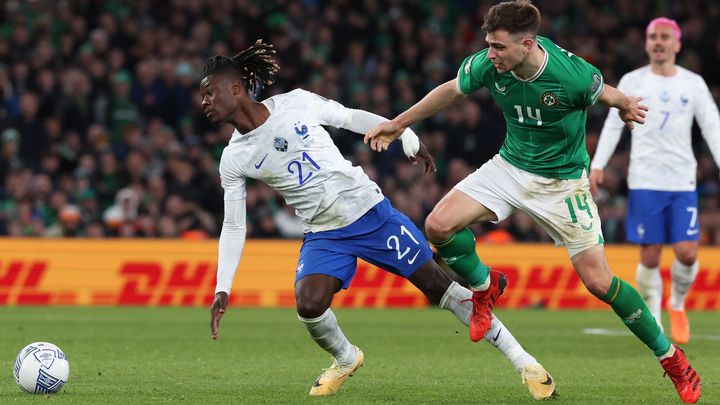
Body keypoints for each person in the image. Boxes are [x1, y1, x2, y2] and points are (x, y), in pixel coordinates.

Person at [364, 2, 701, 403]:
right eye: (489, 45)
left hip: (563, 184)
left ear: (527, 44)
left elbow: (605, 92)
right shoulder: (490, 64)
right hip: (510, 167)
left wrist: (627, 104)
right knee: (438, 225)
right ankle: (485, 288)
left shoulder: (569, 74)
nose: (490, 54)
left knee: (598, 282)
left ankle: (672, 359)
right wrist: (399, 122)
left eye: (499, 47)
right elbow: (453, 89)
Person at [203, 40, 557, 400]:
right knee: (309, 305)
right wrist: (223, 287)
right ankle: (345, 358)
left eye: (210, 92)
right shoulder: (234, 158)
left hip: (370, 213)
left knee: (440, 290)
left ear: (236, 88)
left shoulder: (295, 103)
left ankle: (526, 363)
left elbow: (351, 117)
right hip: (323, 233)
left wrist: (406, 134)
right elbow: (234, 225)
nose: (204, 102)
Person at [590, 17, 720, 346]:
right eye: (652, 37)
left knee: (688, 253)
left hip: (681, 181)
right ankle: (655, 317)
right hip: (645, 180)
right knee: (649, 256)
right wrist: (599, 164)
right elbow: (613, 124)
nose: (658, 42)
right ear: (646, 44)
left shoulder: (693, 83)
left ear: (677, 44)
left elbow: (712, 126)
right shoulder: (633, 81)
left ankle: (677, 304)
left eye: (664, 37)